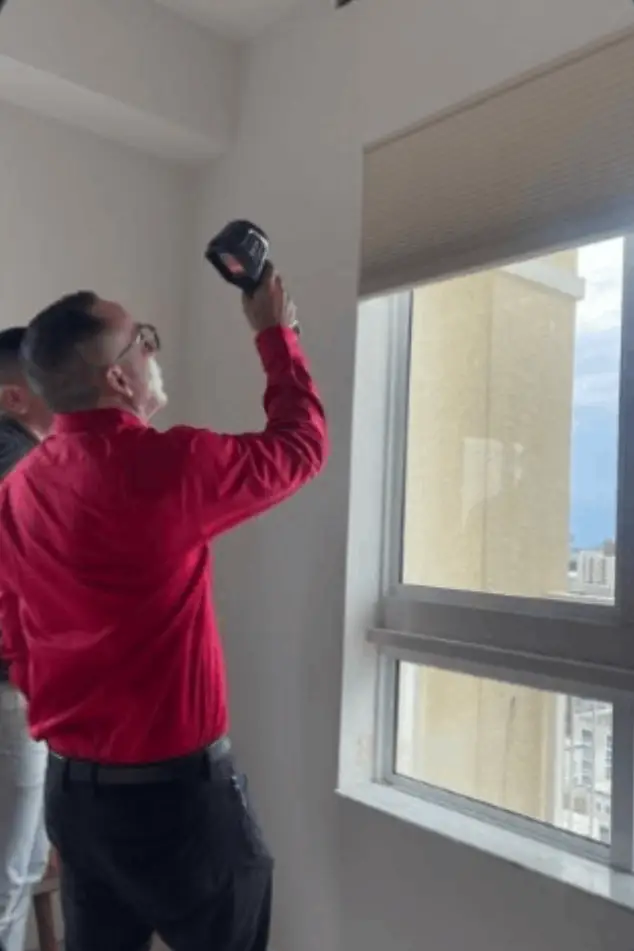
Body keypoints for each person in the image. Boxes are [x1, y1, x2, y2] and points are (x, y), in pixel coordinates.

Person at [0, 270, 327, 951]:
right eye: (144, 341)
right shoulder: (171, 464)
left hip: (75, 796)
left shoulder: (20, 487)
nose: (155, 351)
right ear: (119, 380)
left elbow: (14, 630)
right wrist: (276, 332)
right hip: (176, 804)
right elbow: (301, 446)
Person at [0, 328, 53, 951]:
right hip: (11, 696)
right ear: (16, 396)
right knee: (9, 884)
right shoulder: (19, 461)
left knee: (24, 869)